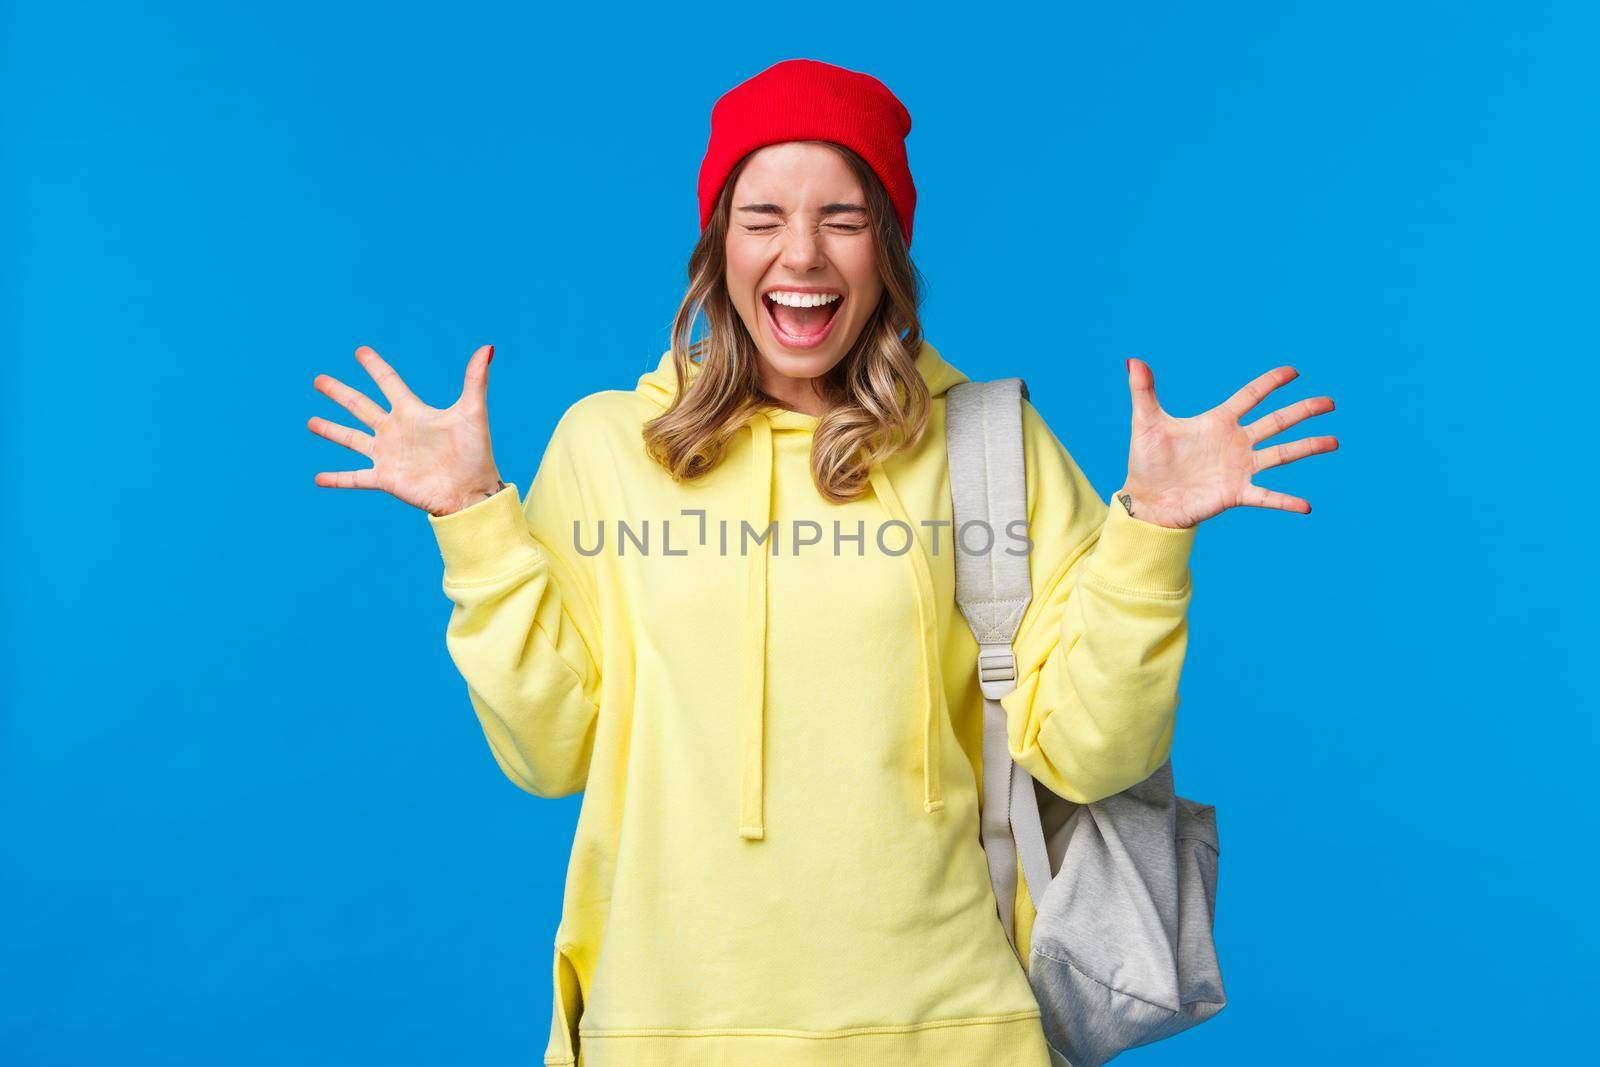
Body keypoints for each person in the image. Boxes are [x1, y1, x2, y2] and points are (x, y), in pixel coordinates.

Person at [306, 58, 1336, 1067]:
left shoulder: (986, 445)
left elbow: (1092, 752)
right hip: (663, 1027)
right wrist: (473, 523)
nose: (800, 255)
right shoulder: (606, 446)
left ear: (887, 248)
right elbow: (549, 753)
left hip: (950, 1030)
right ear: (717, 248)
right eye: (761, 218)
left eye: (842, 218)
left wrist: (1151, 531)